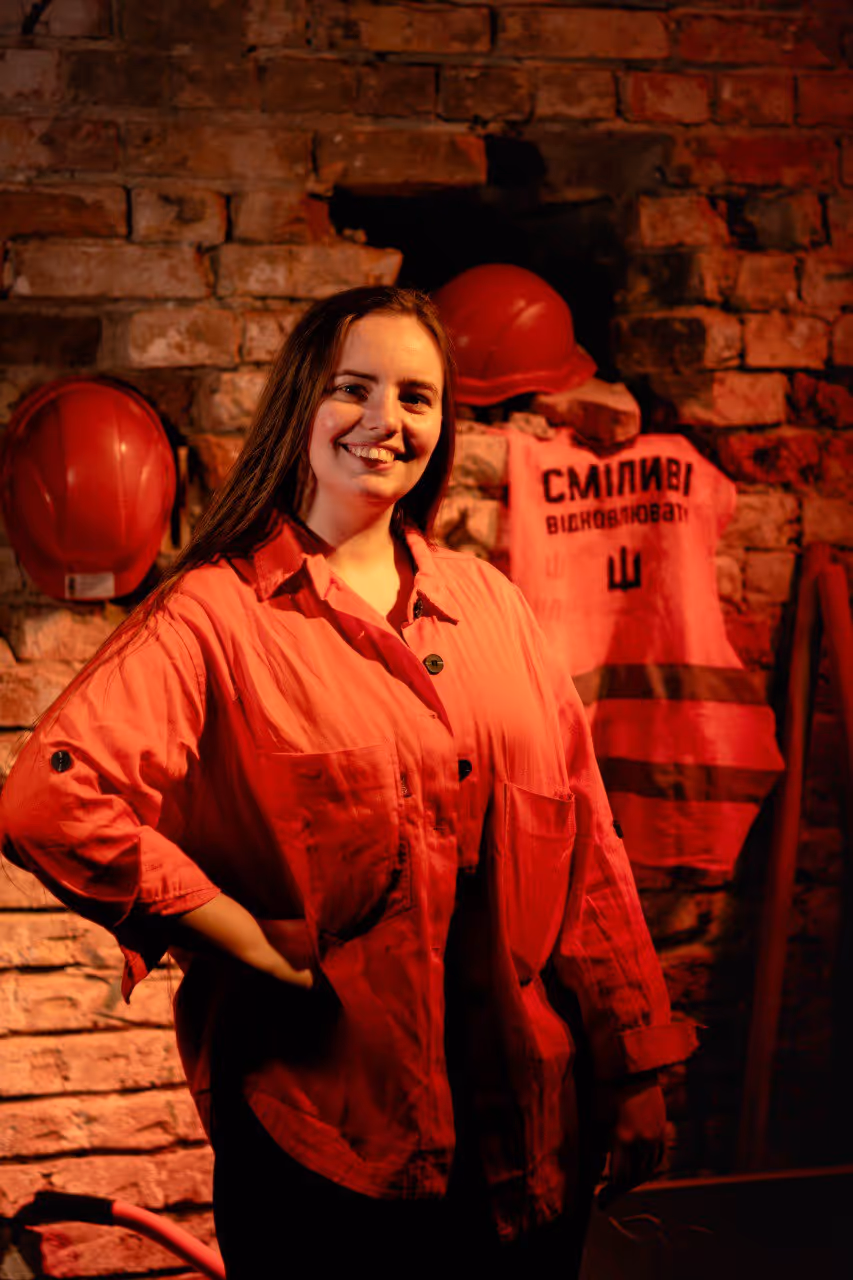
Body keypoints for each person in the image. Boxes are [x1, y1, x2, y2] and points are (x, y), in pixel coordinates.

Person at [0, 286, 696, 1279]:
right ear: (299, 408)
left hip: (530, 1125)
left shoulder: (488, 603)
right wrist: (231, 927)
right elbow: (48, 798)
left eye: (416, 396)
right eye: (353, 389)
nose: (386, 420)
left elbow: (585, 848)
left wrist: (634, 1069)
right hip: (328, 1143)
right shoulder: (215, 615)